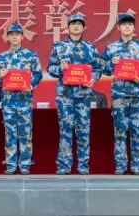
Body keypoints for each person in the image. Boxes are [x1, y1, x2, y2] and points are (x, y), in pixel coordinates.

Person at [101, 12, 139, 175]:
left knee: (137, 131)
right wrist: (111, 64)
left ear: (134, 27)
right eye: (124, 24)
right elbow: (103, 68)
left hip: (138, 94)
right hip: (119, 94)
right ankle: (120, 165)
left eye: (130, 24)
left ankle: (137, 165)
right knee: (120, 130)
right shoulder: (111, 47)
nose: (127, 27)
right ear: (118, 27)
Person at [47, 12, 102, 175]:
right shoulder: (59, 46)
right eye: (73, 24)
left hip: (83, 95)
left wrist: (93, 78)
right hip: (65, 95)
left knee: (83, 131)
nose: (76, 26)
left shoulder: (91, 47)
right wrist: (60, 68)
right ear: (68, 27)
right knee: (65, 130)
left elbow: (98, 69)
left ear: (84, 27)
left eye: (79, 24)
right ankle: (63, 166)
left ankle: (83, 166)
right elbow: (50, 68)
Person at [0, 22, 43, 175]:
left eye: (17, 34)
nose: (14, 37)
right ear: (7, 37)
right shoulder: (1, 57)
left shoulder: (31, 55)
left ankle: (25, 165)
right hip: (8, 101)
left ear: (22, 37)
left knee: (25, 133)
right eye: (11, 34)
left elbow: (38, 74)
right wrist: (0, 75)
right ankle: (10, 165)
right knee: (10, 133)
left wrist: (30, 84)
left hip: (24, 100)